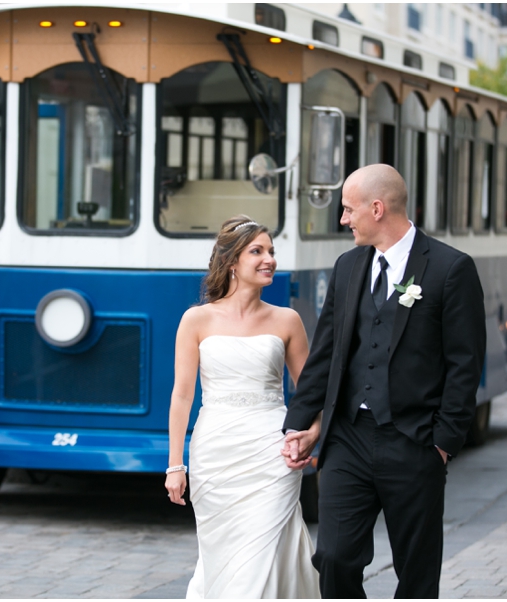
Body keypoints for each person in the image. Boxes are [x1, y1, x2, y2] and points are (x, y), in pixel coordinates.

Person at [282, 164, 486, 599]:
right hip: (348, 440)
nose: (343, 219)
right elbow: (326, 354)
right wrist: (298, 423)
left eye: (348, 209)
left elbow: (465, 364)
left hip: (415, 443)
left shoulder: (451, 269)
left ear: (377, 208)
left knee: (416, 574)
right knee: (333, 558)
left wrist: (443, 441)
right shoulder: (348, 266)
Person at [165, 215, 321, 599]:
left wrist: (311, 435)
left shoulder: (287, 320)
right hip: (216, 453)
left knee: (265, 553)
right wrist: (175, 464)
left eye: (271, 251)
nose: (269, 258)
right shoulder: (196, 319)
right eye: (257, 251)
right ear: (232, 262)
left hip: (272, 452)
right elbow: (182, 395)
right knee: (223, 558)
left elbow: (311, 391)